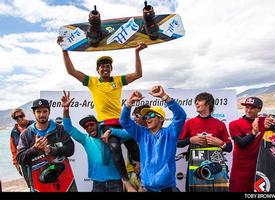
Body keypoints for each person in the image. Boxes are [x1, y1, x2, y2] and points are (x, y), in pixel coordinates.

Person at [57, 38, 147, 191]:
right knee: (115, 149)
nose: (105, 68)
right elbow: (71, 71)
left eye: (107, 66)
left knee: (135, 147)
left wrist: (137, 52)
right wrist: (64, 49)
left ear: (111, 68)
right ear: (97, 70)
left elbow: (138, 74)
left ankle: (140, 174)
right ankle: (125, 181)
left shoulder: (118, 80)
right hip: (106, 124)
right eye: (102, 66)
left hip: (122, 121)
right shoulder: (92, 82)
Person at [117, 85, 187, 192]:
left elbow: (180, 116)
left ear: (161, 119)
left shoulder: (170, 133)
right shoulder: (141, 133)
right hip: (147, 188)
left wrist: (164, 96)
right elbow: (124, 121)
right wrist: (129, 103)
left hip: (167, 188)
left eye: (152, 115)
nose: (148, 118)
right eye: (146, 116)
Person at [61, 91, 133, 192]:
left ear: (97, 124)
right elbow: (68, 128)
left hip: (116, 181)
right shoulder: (85, 139)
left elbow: (130, 133)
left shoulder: (111, 136)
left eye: (91, 124)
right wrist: (65, 110)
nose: (89, 127)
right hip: (98, 182)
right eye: (86, 127)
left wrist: (111, 131)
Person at [16, 98, 76, 192]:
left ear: (49, 112)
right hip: (39, 185)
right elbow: (20, 159)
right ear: (33, 113)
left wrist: (50, 150)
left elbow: (70, 149)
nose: (42, 114)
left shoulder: (60, 129)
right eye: (38, 111)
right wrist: (35, 148)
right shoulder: (26, 134)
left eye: (45, 111)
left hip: (65, 181)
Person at [177, 92, 233, 191]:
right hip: (195, 166)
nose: (196, 103)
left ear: (208, 104)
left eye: (199, 100)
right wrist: (190, 140)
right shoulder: (190, 123)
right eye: (196, 101)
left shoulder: (219, 124)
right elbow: (178, 143)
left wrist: (220, 143)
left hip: (215, 166)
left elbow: (229, 148)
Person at [229, 97, 275, 192]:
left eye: (252, 108)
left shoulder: (263, 122)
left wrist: (271, 126)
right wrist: (253, 133)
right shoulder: (234, 124)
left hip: (259, 167)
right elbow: (241, 144)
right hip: (240, 168)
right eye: (247, 107)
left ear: (259, 109)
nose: (248, 110)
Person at [9, 108, 34, 189]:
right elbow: (13, 149)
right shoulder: (14, 132)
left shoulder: (34, 125)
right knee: (30, 184)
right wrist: (16, 163)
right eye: (16, 118)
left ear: (24, 115)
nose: (19, 118)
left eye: (21, 116)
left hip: (37, 158)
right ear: (14, 119)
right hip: (23, 161)